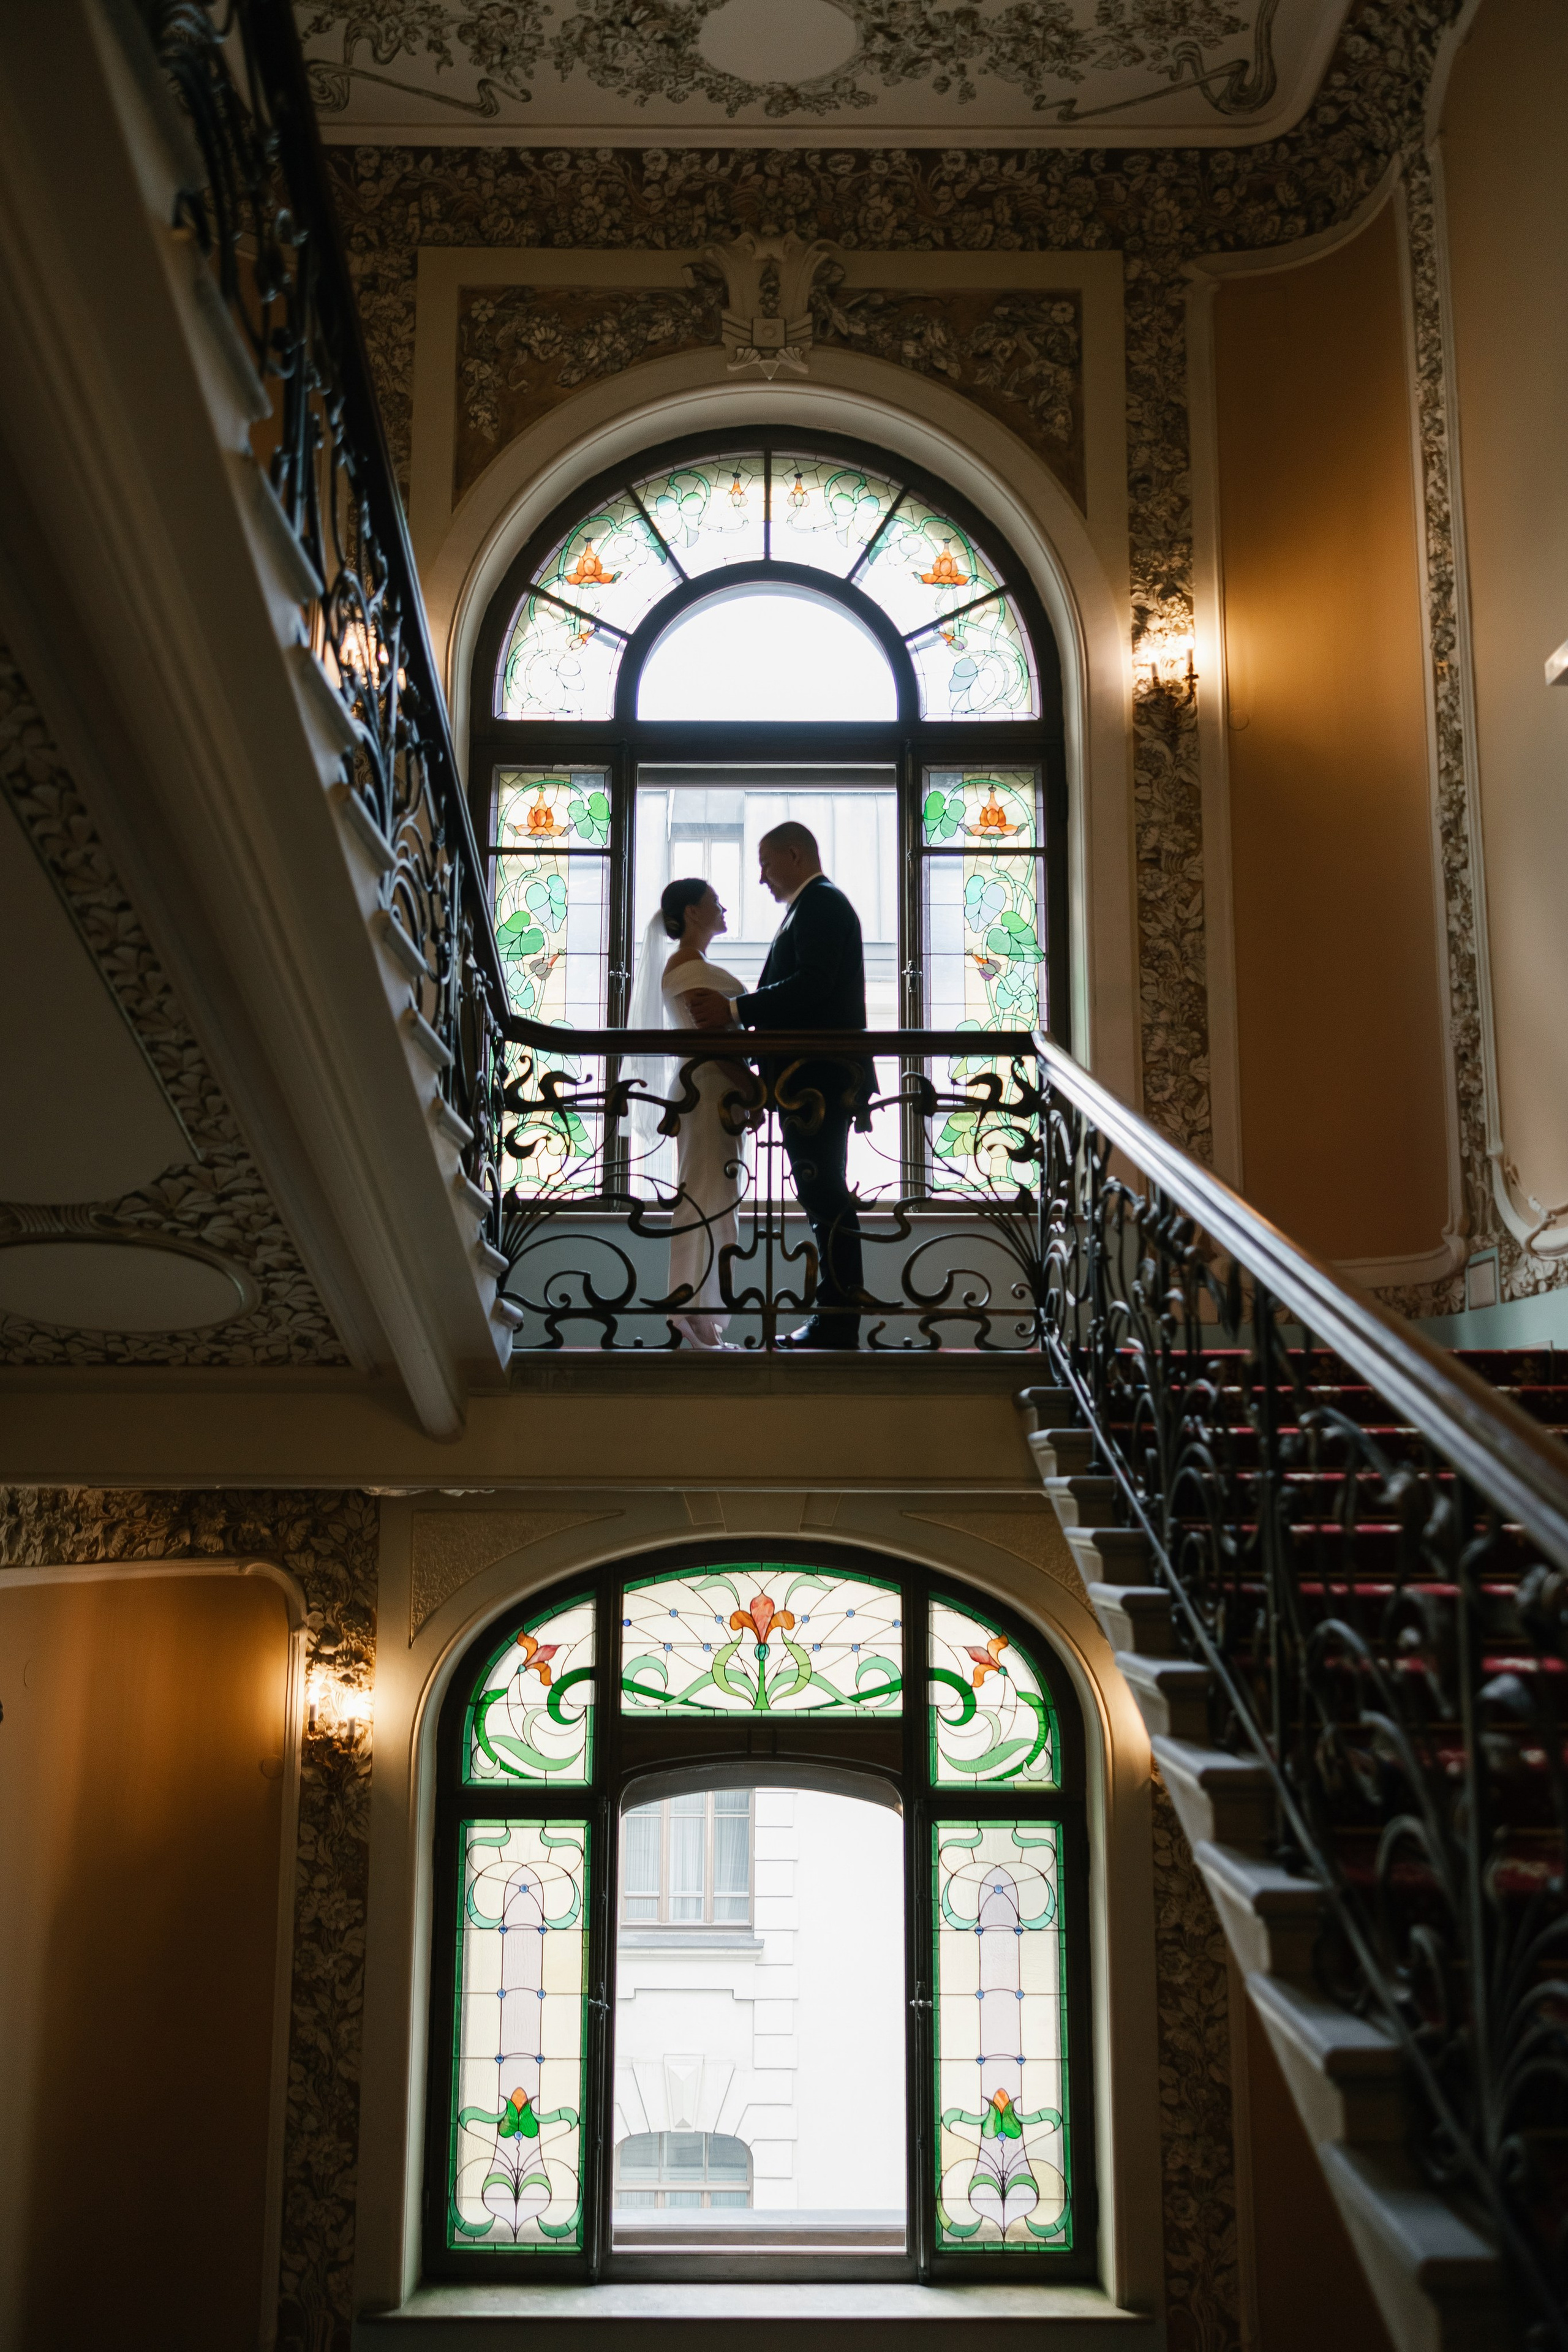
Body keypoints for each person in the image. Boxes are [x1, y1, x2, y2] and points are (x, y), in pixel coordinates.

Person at [687, 821, 870, 1351]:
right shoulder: (810, 908)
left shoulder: (822, 905)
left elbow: (815, 985)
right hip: (805, 1078)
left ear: (794, 854)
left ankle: (837, 1321)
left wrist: (735, 1010)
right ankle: (836, 1317)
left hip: (816, 1078)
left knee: (825, 1194)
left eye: (766, 863)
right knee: (820, 1192)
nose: (761, 877)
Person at [625, 877, 748, 1349]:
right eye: (714, 902)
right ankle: (689, 1313)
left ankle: (706, 1316)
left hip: (719, 1088)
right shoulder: (684, 966)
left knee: (719, 1202)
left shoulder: (697, 964)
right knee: (699, 1199)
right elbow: (706, 1034)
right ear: (692, 913)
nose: (723, 909)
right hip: (709, 1087)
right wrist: (749, 1083)